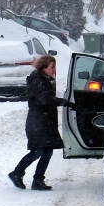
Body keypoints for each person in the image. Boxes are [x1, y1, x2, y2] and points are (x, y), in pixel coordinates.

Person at [8, 54, 73, 190]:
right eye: (52, 67)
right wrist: (64, 102)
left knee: (47, 151)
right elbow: (45, 99)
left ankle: (38, 180)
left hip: (45, 122)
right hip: (37, 123)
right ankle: (17, 173)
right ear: (43, 67)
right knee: (37, 151)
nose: (54, 70)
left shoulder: (45, 79)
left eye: (54, 67)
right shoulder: (37, 80)